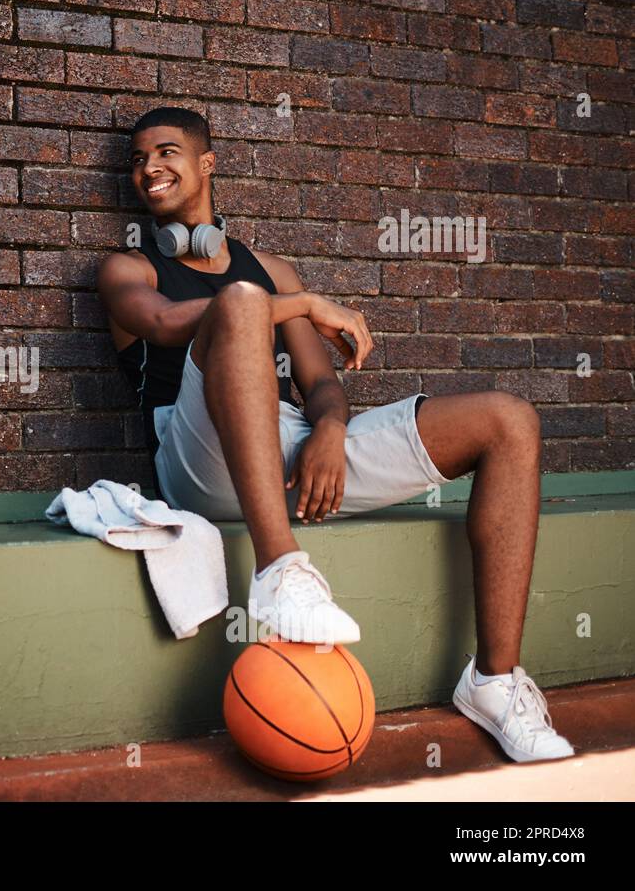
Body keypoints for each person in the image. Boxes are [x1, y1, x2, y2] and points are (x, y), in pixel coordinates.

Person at [95, 105, 573, 762]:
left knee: (509, 422)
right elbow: (169, 320)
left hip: (287, 446)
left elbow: (321, 384)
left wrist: (328, 430)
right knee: (238, 304)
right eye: (138, 158)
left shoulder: (273, 270)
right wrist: (307, 304)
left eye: (167, 152)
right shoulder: (128, 268)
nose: (149, 167)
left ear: (208, 163)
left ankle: (494, 681)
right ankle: (280, 570)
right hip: (195, 455)